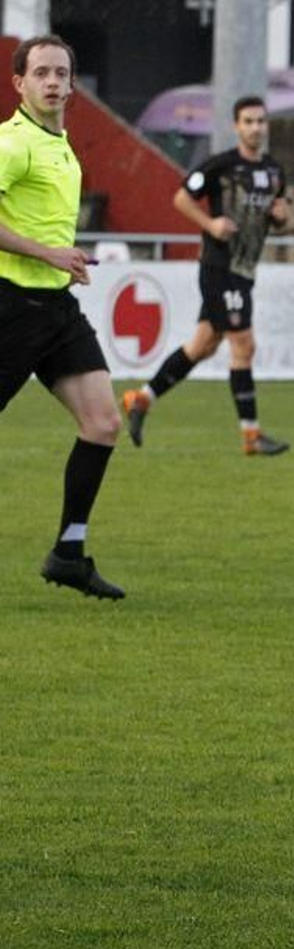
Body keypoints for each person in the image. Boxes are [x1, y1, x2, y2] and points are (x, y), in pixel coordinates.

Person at [0, 35, 125, 599]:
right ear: (18, 83)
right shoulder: (12, 143)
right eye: (41, 73)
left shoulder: (61, 143)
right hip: (10, 306)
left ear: (73, 84)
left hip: (56, 307)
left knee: (103, 423)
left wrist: (63, 258)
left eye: (62, 73)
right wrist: (47, 252)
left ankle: (68, 553)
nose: (53, 82)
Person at [122, 95, 290, 457]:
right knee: (244, 345)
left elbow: (279, 214)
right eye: (248, 121)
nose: (256, 127)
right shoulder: (220, 166)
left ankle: (141, 399)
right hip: (219, 267)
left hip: (244, 271)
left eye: (261, 121)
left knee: (202, 346)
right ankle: (251, 435)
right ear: (236, 126)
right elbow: (181, 198)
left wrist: (280, 216)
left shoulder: (275, 171)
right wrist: (210, 224)